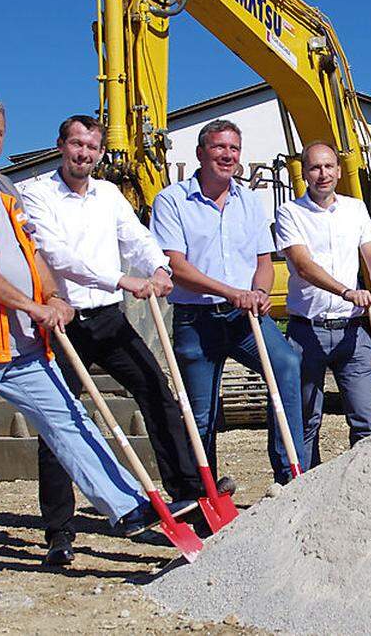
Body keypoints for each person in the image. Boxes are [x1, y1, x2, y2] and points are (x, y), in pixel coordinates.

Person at [0, 94, 164, 595]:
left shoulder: (5, 191)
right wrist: (31, 304)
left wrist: (53, 295)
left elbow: (33, 252)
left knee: (69, 420)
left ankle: (125, 506)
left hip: (20, 346)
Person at [19, 114, 202, 566]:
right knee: (59, 421)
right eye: (76, 144)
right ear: (61, 145)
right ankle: (60, 531)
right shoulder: (37, 193)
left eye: (92, 147)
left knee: (155, 389)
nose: (84, 153)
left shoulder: (109, 193)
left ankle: (185, 494)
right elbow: (59, 254)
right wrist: (124, 279)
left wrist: (158, 266)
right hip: (60, 319)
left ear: (101, 153)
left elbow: (135, 235)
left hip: (106, 318)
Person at [149, 119, 305, 484]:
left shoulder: (250, 202)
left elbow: (263, 263)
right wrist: (231, 292)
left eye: (234, 148)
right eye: (219, 147)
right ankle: (203, 492)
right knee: (200, 412)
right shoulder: (172, 201)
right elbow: (175, 265)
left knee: (286, 364)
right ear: (201, 153)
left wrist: (261, 293)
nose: (228, 155)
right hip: (196, 320)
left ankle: (291, 473)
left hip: (244, 320)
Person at [275, 142, 371, 468]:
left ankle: (362, 487)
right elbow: (302, 265)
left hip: (352, 333)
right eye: (315, 168)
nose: (323, 174)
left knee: (366, 421)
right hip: (306, 332)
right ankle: (306, 489)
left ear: (339, 172)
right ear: (305, 173)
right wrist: (346, 291)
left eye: (329, 167)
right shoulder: (290, 213)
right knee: (307, 422)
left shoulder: (355, 209)